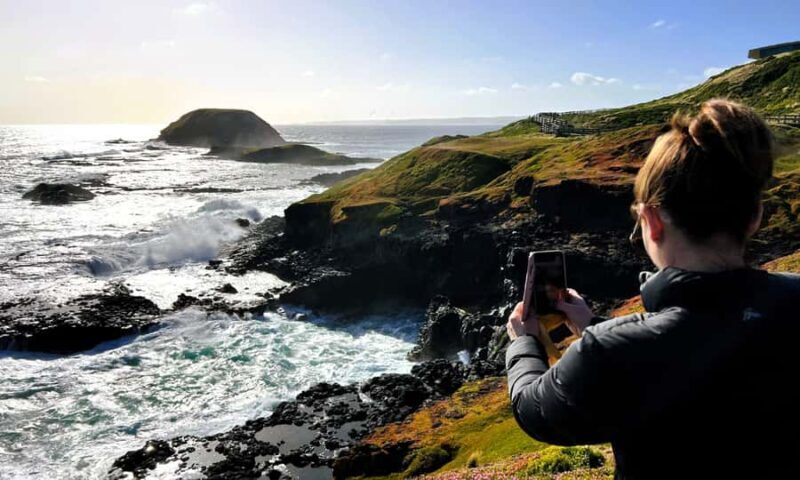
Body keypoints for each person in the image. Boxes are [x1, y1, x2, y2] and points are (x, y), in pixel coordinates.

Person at [505, 99, 800, 479]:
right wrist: (592, 323)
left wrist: (523, 341)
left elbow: (535, 410)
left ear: (652, 221)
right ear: (755, 215)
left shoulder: (613, 353)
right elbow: (691, 346)